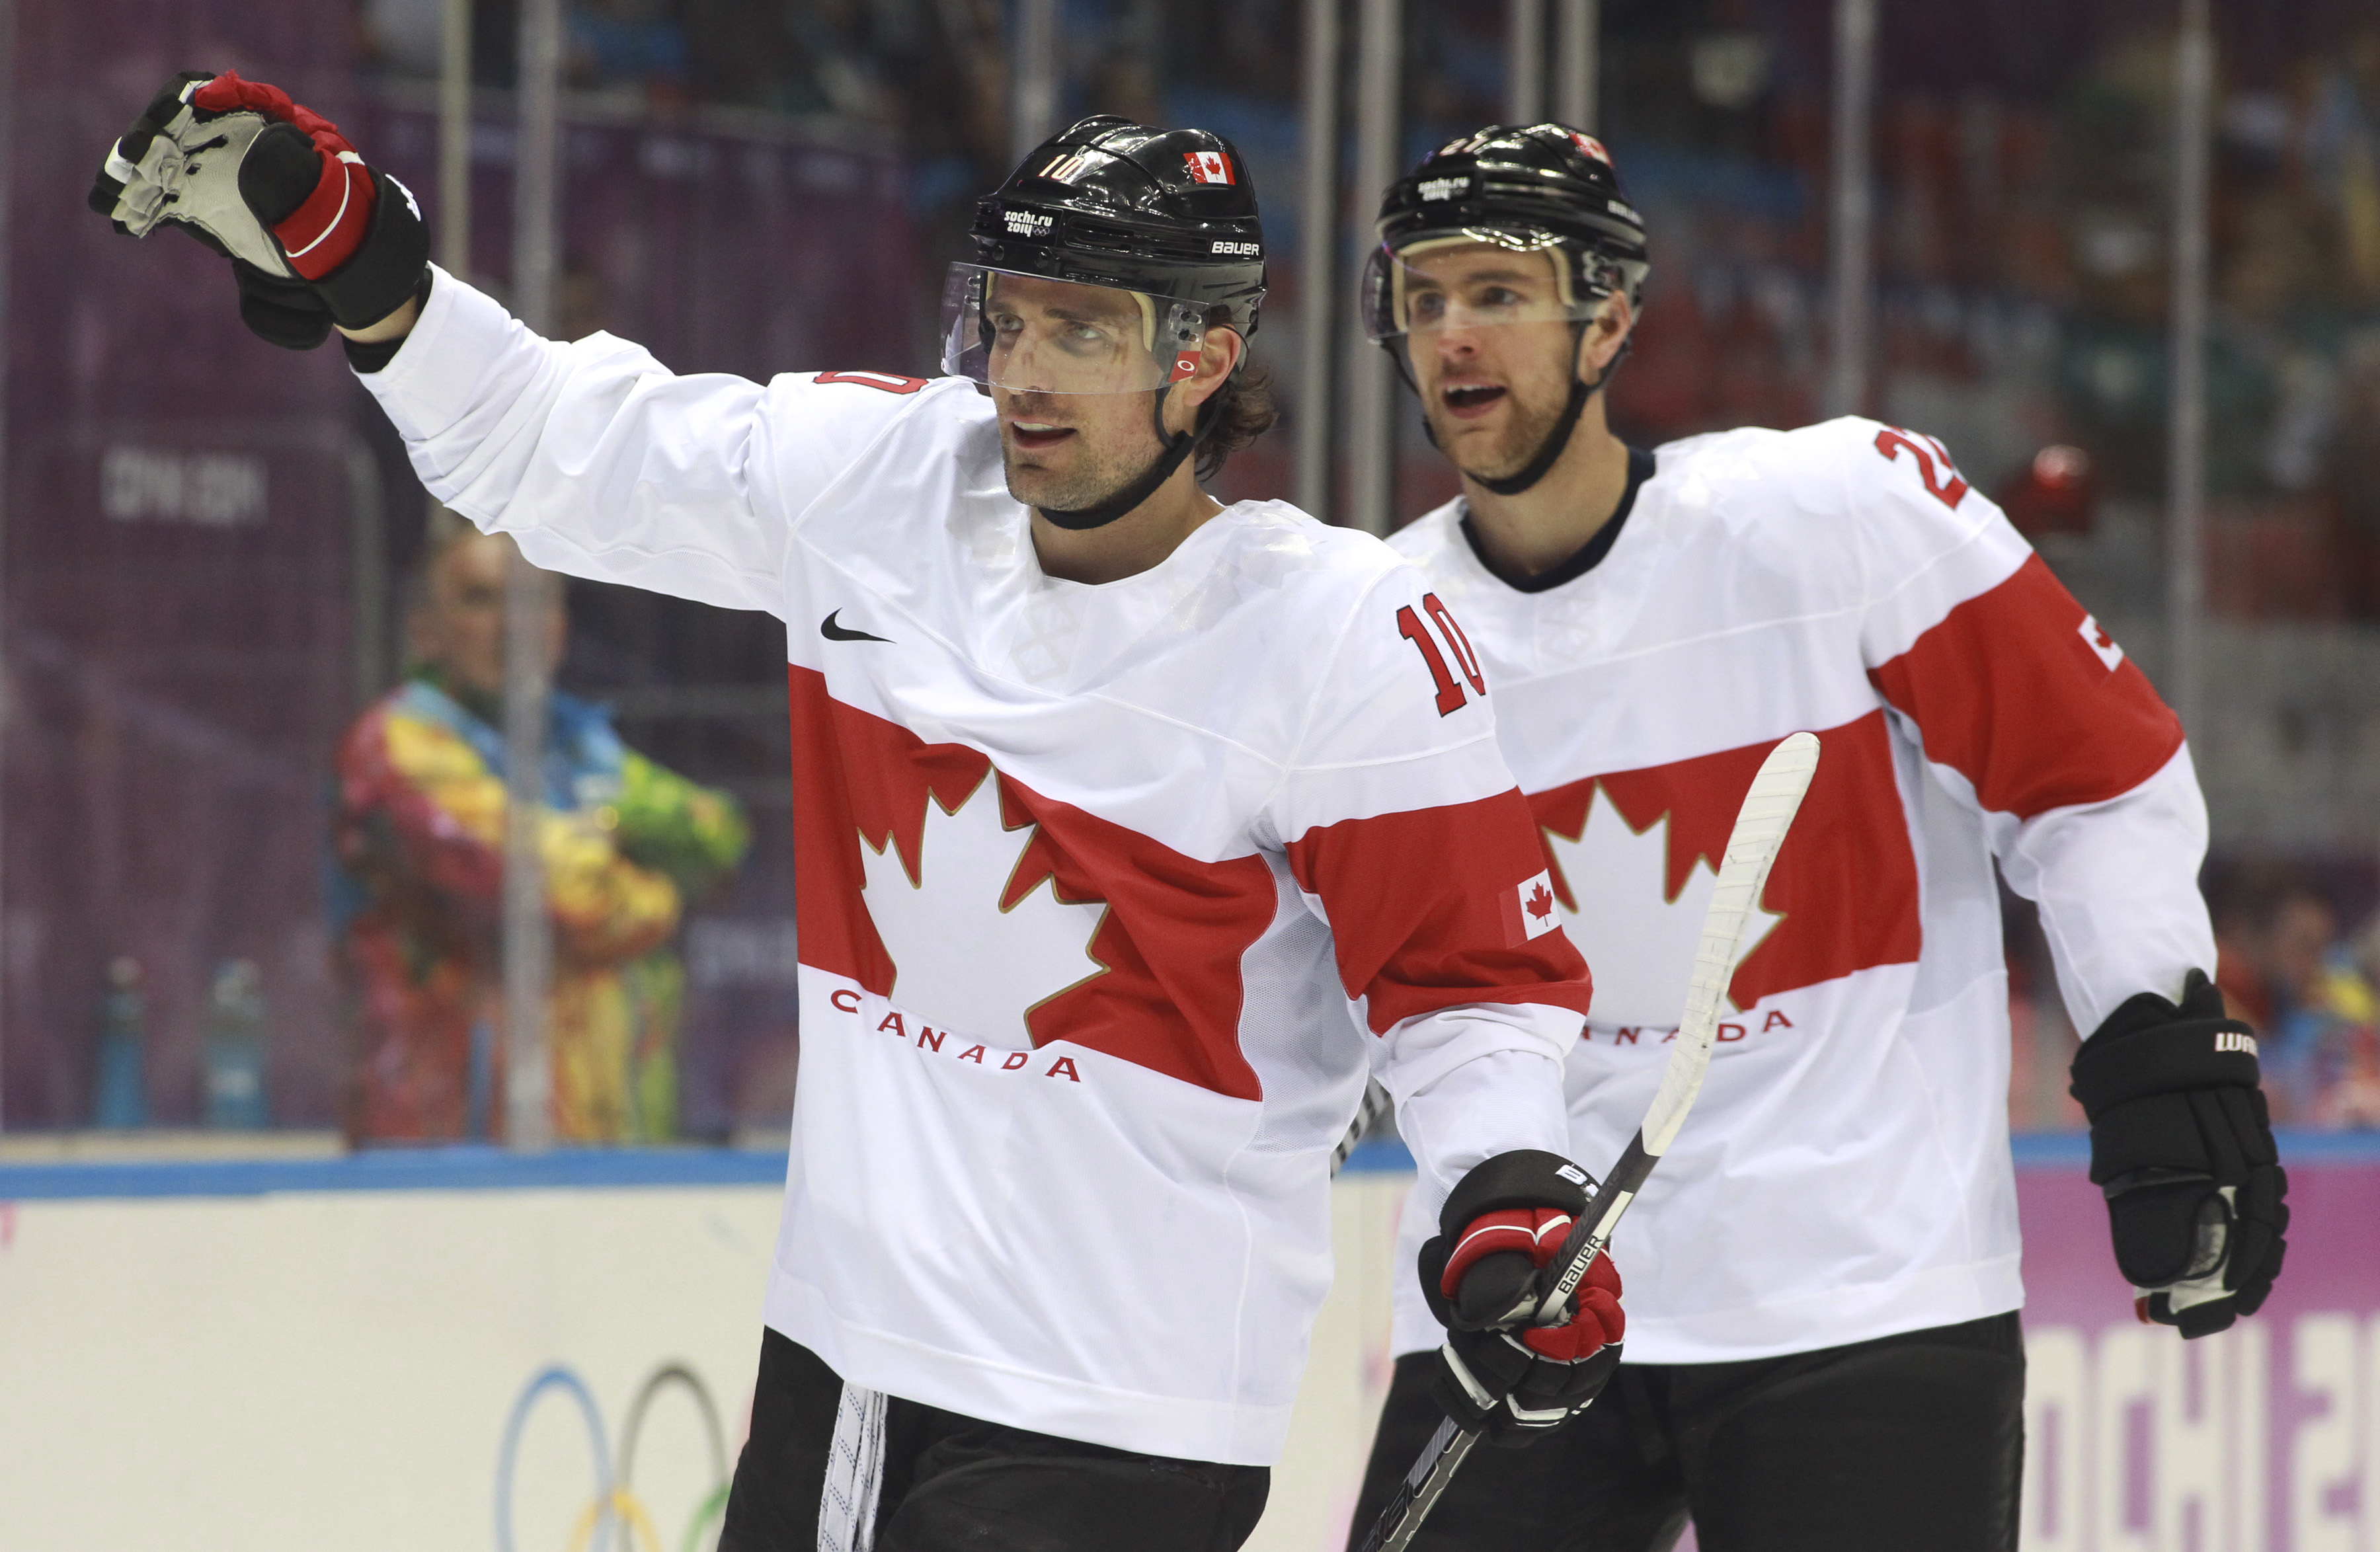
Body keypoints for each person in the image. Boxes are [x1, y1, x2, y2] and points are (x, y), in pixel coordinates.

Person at [93, 76, 1626, 1550]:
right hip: (843, 1359)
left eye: (1080, 334)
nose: (1023, 375)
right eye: (1006, 322)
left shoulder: (1340, 634)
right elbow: (551, 442)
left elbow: (1470, 987)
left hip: (1120, 1403)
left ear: (1205, 357)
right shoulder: (887, 482)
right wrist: (369, 272)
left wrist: (1499, 1202)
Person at [1346, 124, 2291, 1552]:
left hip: (1865, 1291)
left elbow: (2096, 773)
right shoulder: (1375, 632)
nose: (1454, 335)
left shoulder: (1841, 516)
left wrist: (2159, 1059)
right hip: (1531, 1287)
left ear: (1608, 315)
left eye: (1498, 290)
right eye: (1424, 299)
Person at [334, 522, 750, 1144]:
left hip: (619, 1142)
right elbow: (564, 893)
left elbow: (716, 834)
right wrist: (655, 891)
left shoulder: (580, 744)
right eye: (480, 600)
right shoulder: (398, 745)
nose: (512, 625)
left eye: (535, 600)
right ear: (425, 629)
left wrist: (604, 829)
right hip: (445, 1153)